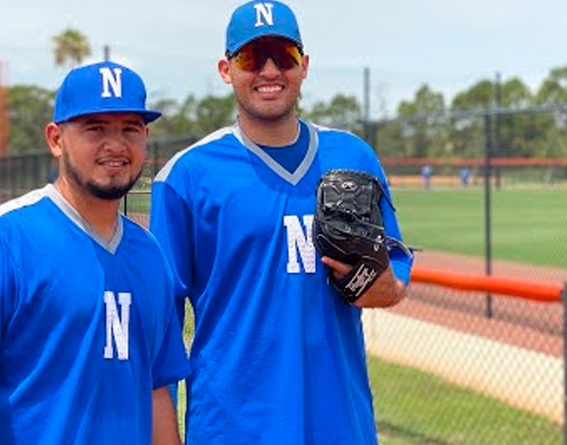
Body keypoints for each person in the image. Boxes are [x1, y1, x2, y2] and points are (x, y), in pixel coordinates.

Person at [149, 1, 413, 444]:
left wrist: (375, 280)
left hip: (340, 425)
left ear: (304, 65)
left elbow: (393, 286)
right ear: (226, 69)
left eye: (284, 55)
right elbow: (159, 334)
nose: (270, 70)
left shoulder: (354, 157)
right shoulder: (187, 176)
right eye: (253, 57)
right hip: (233, 428)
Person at [0, 61, 190, 445]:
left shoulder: (150, 255)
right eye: (95, 128)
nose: (115, 145)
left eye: (130, 129)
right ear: (55, 138)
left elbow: (156, 394)